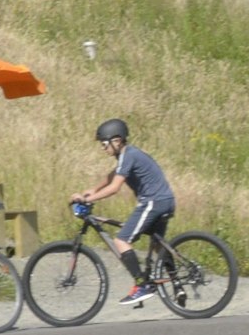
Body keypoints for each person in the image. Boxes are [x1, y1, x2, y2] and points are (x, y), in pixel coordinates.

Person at [71, 118, 176, 307]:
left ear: (117, 141)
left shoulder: (129, 155)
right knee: (159, 246)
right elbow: (112, 176)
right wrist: (93, 190)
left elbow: (114, 188)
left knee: (121, 240)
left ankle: (142, 285)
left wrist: (87, 199)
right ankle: (178, 284)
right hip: (165, 201)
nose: (103, 148)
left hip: (153, 202)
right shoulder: (128, 155)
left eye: (105, 143)